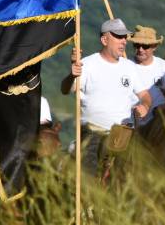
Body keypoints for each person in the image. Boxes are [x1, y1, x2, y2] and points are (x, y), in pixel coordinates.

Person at [61, 18, 152, 176]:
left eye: (125, 37)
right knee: (89, 180)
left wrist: (145, 105)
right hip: (92, 134)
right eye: (118, 36)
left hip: (123, 134)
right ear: (104, 40)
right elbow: (66, 89)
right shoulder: (87, 64)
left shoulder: (129, 67)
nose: (123, 41)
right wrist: (71, 75)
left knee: (139, 175)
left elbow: (145, 95)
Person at [129, 25, 165, 126]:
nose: (140, 49)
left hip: (158, 128)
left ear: (154, 47)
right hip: (131, 126)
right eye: (137, 45)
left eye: (145, 46)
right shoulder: (125, 67)